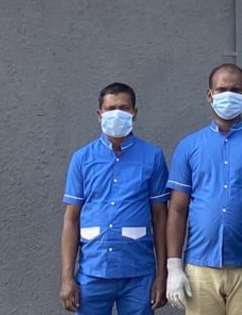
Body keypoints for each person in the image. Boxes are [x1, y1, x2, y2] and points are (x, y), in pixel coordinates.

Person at [62, 82, 171, 315]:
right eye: (110, 108)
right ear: (99, 115)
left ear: (135, 113)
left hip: (139, 275)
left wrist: (162, 274)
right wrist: (67, 278)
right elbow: (71, 220)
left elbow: (161, 218)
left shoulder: (152, 157)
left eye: (124, 107)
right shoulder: (82, 159)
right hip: (92, 273)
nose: (117, 114)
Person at [166, 63, 242, 315]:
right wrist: (174, 267)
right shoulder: (189, 146)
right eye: (221, 89)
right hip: (200, 268)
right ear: (209, 95)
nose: (228, 95)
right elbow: (177, 210)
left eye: (235, 89)